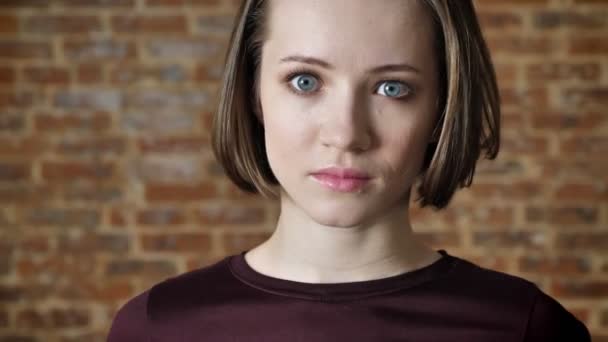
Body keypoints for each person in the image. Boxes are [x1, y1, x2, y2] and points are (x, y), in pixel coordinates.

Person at [107, 0, 592, 341]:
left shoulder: (526, 329)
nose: (346, 133)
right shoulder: (155, 328)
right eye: (305, 81)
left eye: (392, 89)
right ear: (254, 93)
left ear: (441, 109)